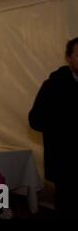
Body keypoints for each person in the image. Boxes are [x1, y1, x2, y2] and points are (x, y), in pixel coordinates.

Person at [29, 37, 78, 217]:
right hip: (65, 162)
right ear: (68, 58)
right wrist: (65, 124)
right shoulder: (54, 85)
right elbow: (35, 120)